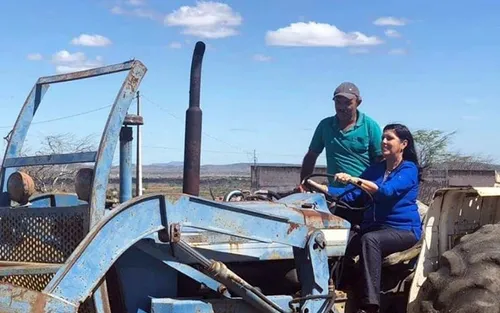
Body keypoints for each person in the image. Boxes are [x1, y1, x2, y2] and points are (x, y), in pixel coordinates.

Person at [305, 123, 422, 313]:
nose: (383, 141)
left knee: (370, 240)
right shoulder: (375, 170)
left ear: (403, 144)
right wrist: (323, 189)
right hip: (375, 228)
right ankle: (330, 290)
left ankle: (370, 305)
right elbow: (351, 194)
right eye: (383, 137)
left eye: (389, 138)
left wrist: (353, 179)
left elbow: (386, 192)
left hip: (403, 230)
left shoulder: (409, 169)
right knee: (336, 240)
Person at [300, 82, 383, 189]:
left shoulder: (370, 126)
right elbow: (311, 156)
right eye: (338, 102)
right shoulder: (325, 125)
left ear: (358, 102)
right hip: (334, 191)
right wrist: (304, 183)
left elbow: (380, 161)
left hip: (362, 191)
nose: (342, 107)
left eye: (348, 103)